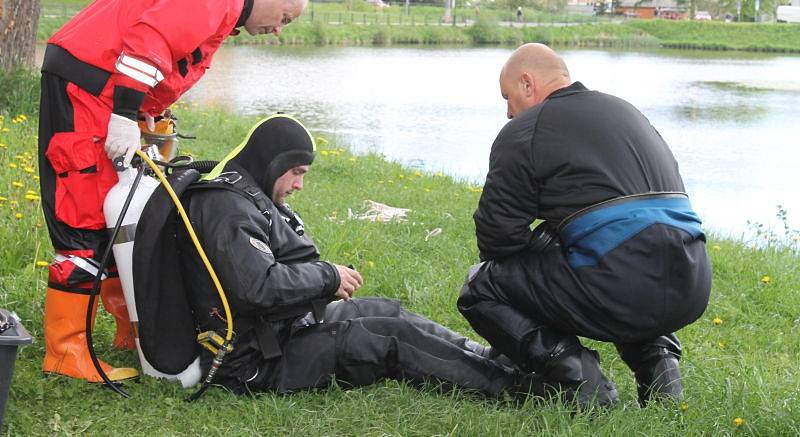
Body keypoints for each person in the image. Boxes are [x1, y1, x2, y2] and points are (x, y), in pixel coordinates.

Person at [38, 0, 308, 382]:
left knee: (120, 211)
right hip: (89, 90)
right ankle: (66, 350)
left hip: (104, 92)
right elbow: (151, 40)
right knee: (85, 212)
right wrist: (126, 112)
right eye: (284, 19)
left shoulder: (223, 1)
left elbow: (168, 60)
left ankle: (130, 329)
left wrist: (147, 116)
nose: (278, 30)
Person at [137, 114, 534, 398]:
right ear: (272, 162)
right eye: (296, 172)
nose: (299, 185)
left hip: (283, 330)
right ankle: (514, 388)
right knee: (390, 338)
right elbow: (257, 288)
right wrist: (327, 276)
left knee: (387, 311)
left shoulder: (243, 195)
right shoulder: (226, 209)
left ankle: (489, 359)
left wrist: (321, 279)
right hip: (253, 364)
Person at [457, 43, 712, 408]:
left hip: (620, 283)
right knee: (624, 246)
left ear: (528, 84)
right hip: (692, 280)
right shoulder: (628, 112)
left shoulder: (525, 130)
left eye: (508, 98)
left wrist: (543, 255)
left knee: (481, 285)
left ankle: (581, 380)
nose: (509, 113)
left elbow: (497, 239)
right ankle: (663, 383)